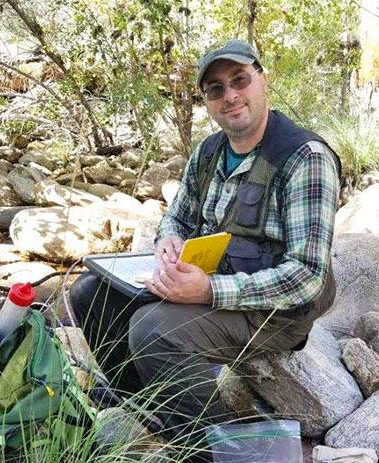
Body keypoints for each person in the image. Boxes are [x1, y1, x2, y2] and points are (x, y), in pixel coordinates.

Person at [70, 39, 341, 461]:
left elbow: (307, 277)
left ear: (262, 80)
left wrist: (209, 291)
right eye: (215, 89)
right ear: (207, 101)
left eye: (239, 80)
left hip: (277, 310)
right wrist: (168, 241)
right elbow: (177, 217)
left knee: (152, 329)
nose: (230, 95)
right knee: (88, 293)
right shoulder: (209, 152)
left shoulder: (305, 157)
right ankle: (155, 411)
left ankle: (214, 452)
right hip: (212, 284)